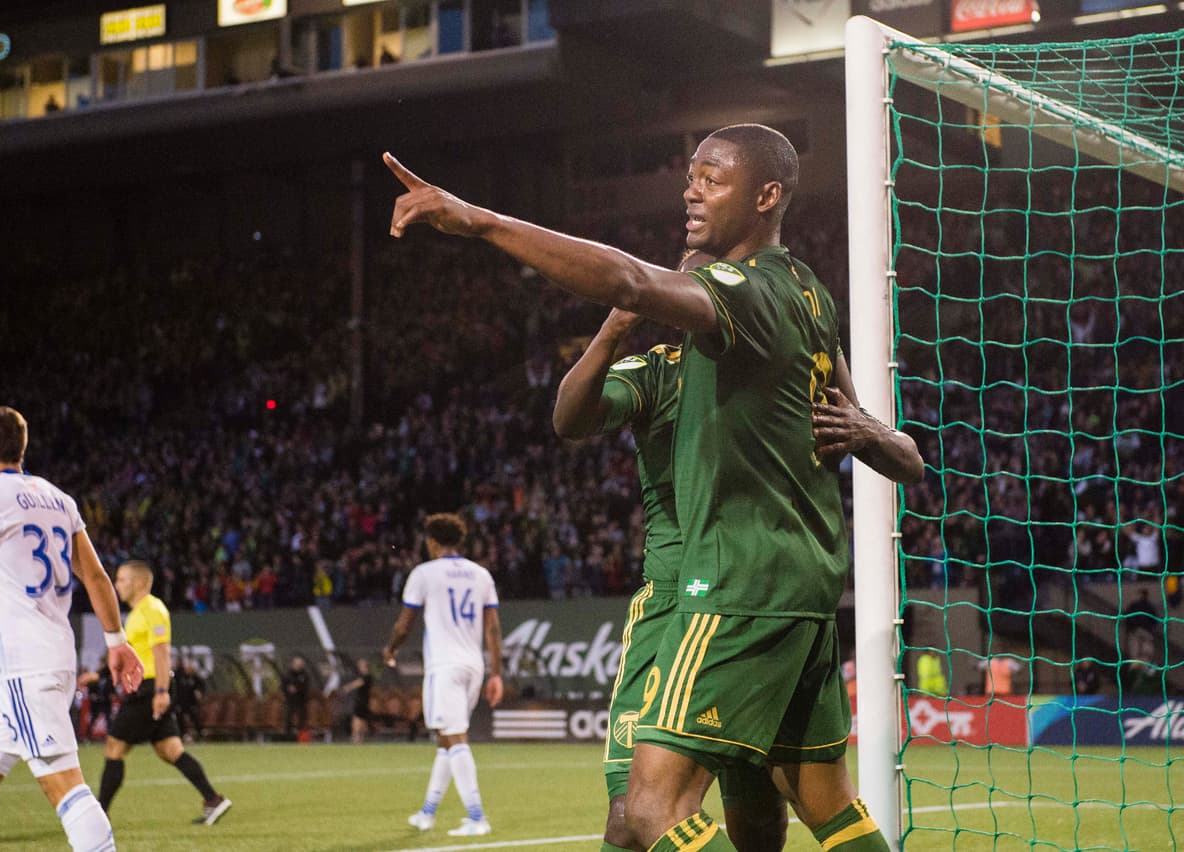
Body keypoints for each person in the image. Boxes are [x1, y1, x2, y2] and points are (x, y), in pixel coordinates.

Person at [384, 123, 924, 851]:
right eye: (690, 174)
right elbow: (572, 416)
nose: (690, 189)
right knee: (820, 799)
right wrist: (873, 437)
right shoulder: (807, 294)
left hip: (729, 585)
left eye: (712, 176)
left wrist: (479, 220)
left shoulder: (748, 291)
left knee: (649, 808)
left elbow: (630, 279)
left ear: (766, 196)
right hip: (804, 589)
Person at [553, 256, 790, 852]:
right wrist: (613, 329)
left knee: (758, 813)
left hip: (749, 599)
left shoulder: (770, 371)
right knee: (628, 815)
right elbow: (570, 419)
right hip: (669, 606)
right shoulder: (655, 372)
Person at [0, 405, 143, 852]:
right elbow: (95, 576)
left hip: (23, 669)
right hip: (48, 660)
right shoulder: (58, 498)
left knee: (64, 787)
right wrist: (117, 642)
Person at [383, 513, 503, 837]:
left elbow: (404, 623)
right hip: (473, 665)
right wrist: (497, 674)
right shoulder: (481, 575)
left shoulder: (424, 573)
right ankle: (427, 812)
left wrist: (391, 649)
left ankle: (477, 817)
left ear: (432, 541)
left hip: (444, 665)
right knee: (447, 740)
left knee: (455, 738)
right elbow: (492, 629)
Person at [98, 560, 232, 826]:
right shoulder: (137, 613)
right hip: (149, 687)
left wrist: (160, 691)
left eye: (122, 579)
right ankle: (213, 799)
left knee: (114, 748)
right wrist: (99, 676)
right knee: (170, 750)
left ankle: (97, 817)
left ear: (137, 583)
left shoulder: (152, 609)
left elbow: (161, 652)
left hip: (149, 689)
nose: (117, 585)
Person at [340, 657, 374, 744]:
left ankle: (355, 737)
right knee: (362, 719)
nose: (359, 667)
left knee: (357, 719)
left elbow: (358, 683)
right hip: (364, 701)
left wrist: (347, 687)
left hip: (361, 701)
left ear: (365, 667)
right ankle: (360, 739)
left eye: (361, 666)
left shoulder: (367, 676)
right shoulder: (367, 676)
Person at [80, 659, 116, 740]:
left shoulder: (108, 677)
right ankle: (87, 737)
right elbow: (90, 688)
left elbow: (112, 687)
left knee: (109, 720)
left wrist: (112, 694)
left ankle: (110, 737)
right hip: (96, 703)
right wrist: (92, 695)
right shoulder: (95, 676)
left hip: (106, 702)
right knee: (93, 719)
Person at [172, 658, 206, 743]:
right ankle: (182, 735)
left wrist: (199, 692)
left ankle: (200, 734)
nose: (190, 669)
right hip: (180, 702)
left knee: (195, 717)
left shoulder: (194, 677)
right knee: (179, 718)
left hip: (191, 702)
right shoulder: (178, 675)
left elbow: (202, 686)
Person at [281, 656, 312, 738]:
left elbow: (306, 687)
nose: (299, 666)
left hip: (301, 699)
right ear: (293, 664)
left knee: (302, 718)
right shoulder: (287, 674)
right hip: (290, 700)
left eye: (300, 664)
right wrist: (288, 689)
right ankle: (287, 736)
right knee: (288, 717)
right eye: (297, 664)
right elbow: (282, 687)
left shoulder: (305, 674)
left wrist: (297, 689)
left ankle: (301, 736)